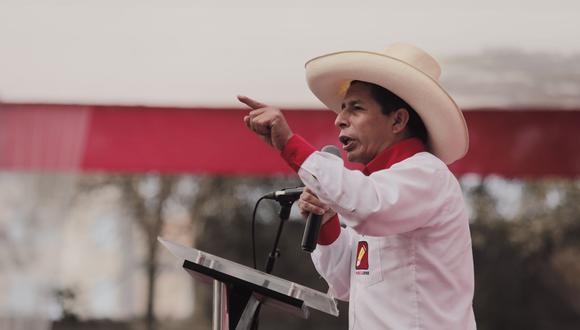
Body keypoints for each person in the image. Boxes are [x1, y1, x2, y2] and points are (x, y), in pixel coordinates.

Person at [239, 43, 475, 329]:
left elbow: (367, 208)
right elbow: (346, 284)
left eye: (356, 108)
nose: (339, 119)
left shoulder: (427, 174)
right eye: (342, 108)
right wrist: (326, 220)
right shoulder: (380, 187)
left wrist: (290, 144)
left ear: (398, 120)